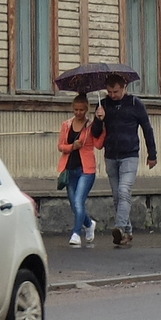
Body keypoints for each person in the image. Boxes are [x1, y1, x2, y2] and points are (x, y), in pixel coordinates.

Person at [98, 73, 157, 247]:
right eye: (109, 92)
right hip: (110, 156)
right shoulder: (103, 105)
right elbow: (95, 133)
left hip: (130, 155)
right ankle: (127, 233)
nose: (112, 95)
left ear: (124, 87)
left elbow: (147, 129)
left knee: (124, 191)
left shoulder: (135, 104)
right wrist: (98, 119)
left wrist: (152, 154)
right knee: (117, 196)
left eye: (116, 91)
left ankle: (119, 228)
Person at [56, 102, 106, 247]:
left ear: (86, 109)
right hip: (70, 169)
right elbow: (60, 146)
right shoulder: (66, 125)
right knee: (74, 205)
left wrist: (101, 123)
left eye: (81, 110)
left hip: (86, 170)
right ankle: (89, 224)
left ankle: (76, 233)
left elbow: (99, 144)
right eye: (76, 109)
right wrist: (72, 146)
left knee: (78, 201)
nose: (78, 112)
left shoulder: (91, 126)